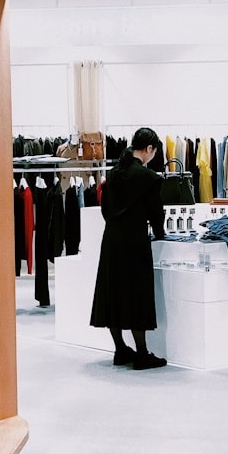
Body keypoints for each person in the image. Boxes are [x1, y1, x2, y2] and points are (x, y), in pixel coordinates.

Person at [90, 127, 169, 370]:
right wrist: (160, 234)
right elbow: (156, 214)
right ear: (149, 149)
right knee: (138, 295)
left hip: (112, 239)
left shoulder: (114, 174)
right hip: (135, 242)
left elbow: (105, 208)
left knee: (114, 293)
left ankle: (120, 349)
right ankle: (142, 353)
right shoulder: (148, 178)